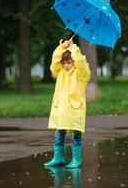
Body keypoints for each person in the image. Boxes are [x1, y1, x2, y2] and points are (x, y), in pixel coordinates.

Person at [44, 39, 90, 168]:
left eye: (69, 62)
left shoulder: (81, 74)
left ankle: (76, 160)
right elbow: (54, 62)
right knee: (59, 134)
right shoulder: (60, 72)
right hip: (61, 110)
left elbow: (82, 64)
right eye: (64, 63)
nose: (66, 65)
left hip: (75, 110)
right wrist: (62, 47)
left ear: (74, 61)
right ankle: (58, 157)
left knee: (76, 136)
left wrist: (74, 49)